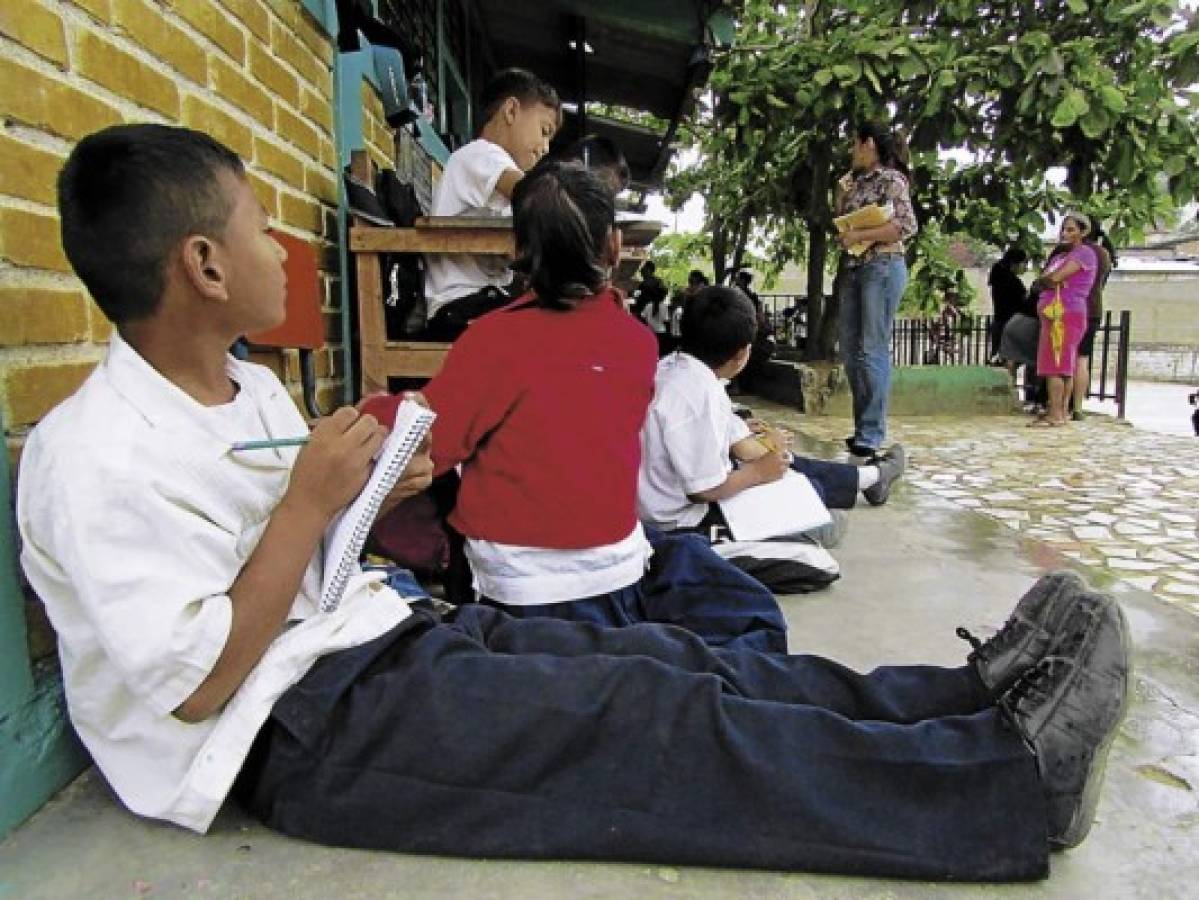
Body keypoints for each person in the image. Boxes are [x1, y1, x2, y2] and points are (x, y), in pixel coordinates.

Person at [20, 123, 1133, 883]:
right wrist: (312, 507)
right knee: (654, 729)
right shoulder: (91, 456)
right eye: (264, 226)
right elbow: (200, 679)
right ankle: (1001, 785)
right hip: (296, 728)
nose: (285, 245)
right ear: (206, 265)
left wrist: (367, 486)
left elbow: (300, 545)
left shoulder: (246, 386)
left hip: (381, 638)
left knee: (676, 664)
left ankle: (962, 694)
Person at [366, 161, 786, 651]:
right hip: (616, 580)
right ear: (613, 246)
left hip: (515, 593)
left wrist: (380, 409)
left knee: (424, 479)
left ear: (517, 250)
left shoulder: (490, 340)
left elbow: (431, 447)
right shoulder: (637, 343)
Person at [638, 286, 907, 544]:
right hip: (679, 522)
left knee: (800, 487)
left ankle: (870, 478)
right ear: (743, 354)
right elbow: (704, 489)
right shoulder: (698, 393)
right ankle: (870, 478)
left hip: (667, 503)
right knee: (827, 527)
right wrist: (757, 473)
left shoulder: (671, 368)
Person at [423, 68, 562, 341]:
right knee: (562, 329)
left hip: (478, 303)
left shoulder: (490, 171)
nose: (545, 148)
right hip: (459, 307)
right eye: (544, 131)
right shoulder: (481, 154)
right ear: (511, 111)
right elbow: (531, 194)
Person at [835, 120, 919, 462]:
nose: (852, 151)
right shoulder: (856, 183)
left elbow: (905, 225)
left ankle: (872, 432)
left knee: (872, 349)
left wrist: (861, 236)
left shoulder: (892, 180)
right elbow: (843, 223)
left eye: (855, 144)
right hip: (856, 268)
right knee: (852, 351)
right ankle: (862, 429)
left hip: (882, 267)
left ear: (869, 144)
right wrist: (841, 196)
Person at [1028, 213, 1099, 428]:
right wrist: (1046, 282)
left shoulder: (1084, 253)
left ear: (1083, 231)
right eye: (1064, 230)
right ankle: (1059, 411)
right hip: (1054, 314)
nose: (1065, 234)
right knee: (1061, 362)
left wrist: (1048, 281)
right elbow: (1043, 281)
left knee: (1056, 364)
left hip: (1066, 313)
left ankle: (1056, 413)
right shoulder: (1062, 257)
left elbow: (1053, 278)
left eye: (1071, 229)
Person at [1071, 223, 1115, 420]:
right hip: (1094, 309)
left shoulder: (1078, 252)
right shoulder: (1104, 254)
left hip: (1073, 308)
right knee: (1082, 360)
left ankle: (1060, 404)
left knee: (1066, 358)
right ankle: (1077, 407)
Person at [989, 247, 1029, 363]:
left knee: (998, 357)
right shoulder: (1013, 282)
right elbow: (1024, 301)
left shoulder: (997, 277)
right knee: (1009, 359)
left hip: (999, 321)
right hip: (1011, 323)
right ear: (1014, 263)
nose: (1025, 267)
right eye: (1024, 263)